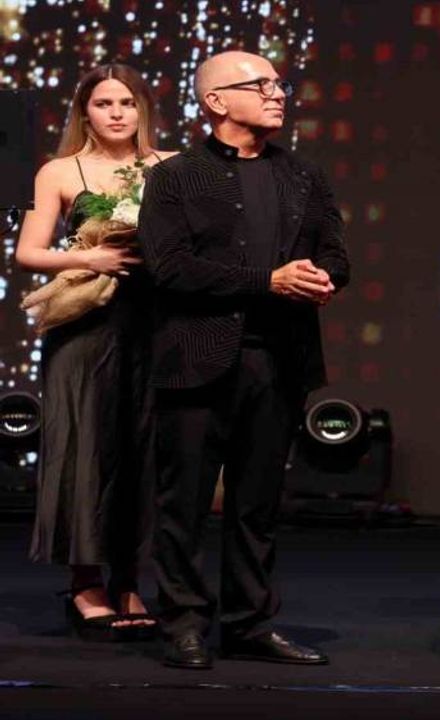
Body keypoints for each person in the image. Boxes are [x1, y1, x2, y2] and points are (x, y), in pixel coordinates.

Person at [138, 50, 349, 670]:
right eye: (262, 85)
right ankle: (183, 625)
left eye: (280, 84)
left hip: (278, 361)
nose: (278, 94)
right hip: (196, 359)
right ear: (215, 101)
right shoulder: (176, 177)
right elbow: (169, 268)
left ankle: (249, 624)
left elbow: (337, 253)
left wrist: (322, 276)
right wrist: (268, 281)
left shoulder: (304, 175)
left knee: (257, 505)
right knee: (183, 505)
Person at [18, 64, 176, 641]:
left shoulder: (171, 167)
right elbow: (29, 253)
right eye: (104, 103)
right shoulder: (60, 170)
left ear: (142, 110)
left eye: (127, 103)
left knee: (143, 450)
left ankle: (131, 579)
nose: (116, 113)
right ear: (85, 112)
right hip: (84, 329)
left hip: (153, 325)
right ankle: (85, 582)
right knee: (85, 450)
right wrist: (91, 257)